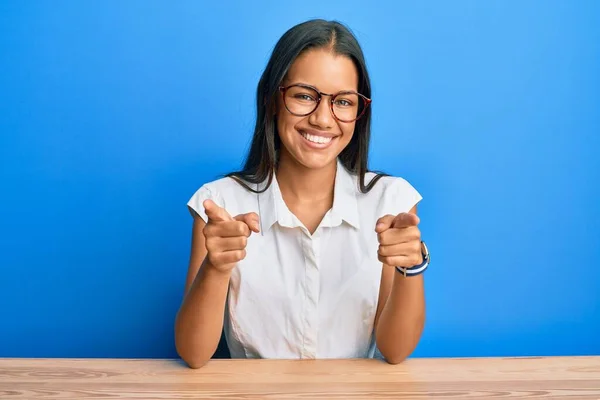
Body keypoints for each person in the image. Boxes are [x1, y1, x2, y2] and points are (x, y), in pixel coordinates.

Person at [174, 19, 430, 369]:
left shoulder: (390, 201)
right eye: (304, 96)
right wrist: (216, 269)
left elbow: (395, 351)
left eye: (343, 102)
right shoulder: (221, 203)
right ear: (272, 100)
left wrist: (410, 268)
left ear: (359, 111)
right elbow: (193, 353)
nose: (323, 119)